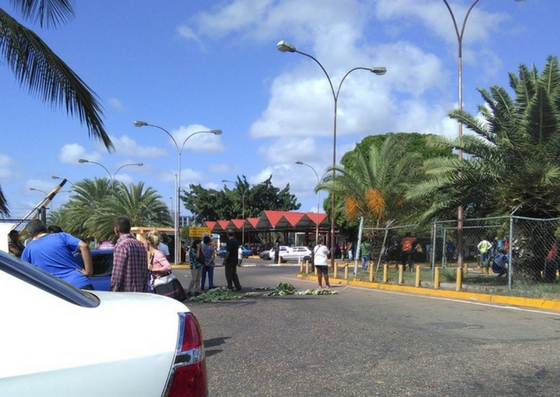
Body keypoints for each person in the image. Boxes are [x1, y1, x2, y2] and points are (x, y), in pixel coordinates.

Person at [21, 219, 94, 289]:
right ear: (46, 229)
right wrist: (88, 271)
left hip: (55, 291)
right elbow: (83, 246)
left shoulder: (28, 249)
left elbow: (24, 271)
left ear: (30, 234)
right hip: (78, 283)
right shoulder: (61, 236)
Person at [110, 216, 149, 292]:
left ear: (116, 229)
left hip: (126, 293)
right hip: (140, 292)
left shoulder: (121, 245)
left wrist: (113, 291)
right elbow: (144, 271)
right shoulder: (140, 245)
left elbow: (118, 273)